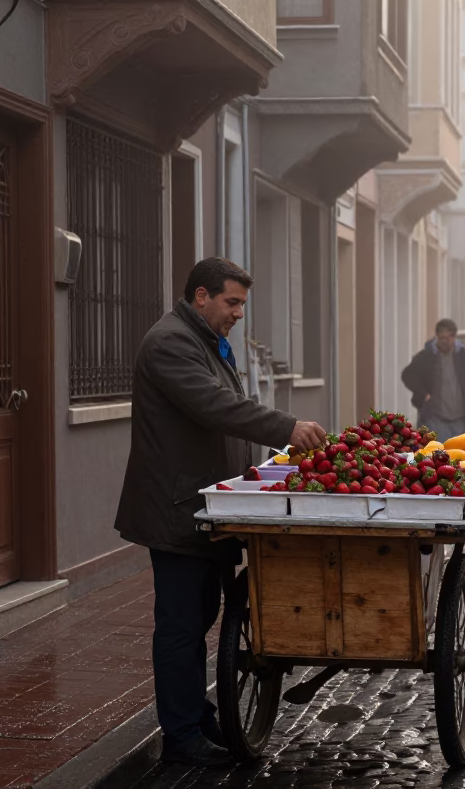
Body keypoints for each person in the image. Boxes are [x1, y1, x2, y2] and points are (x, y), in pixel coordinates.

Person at [115, 257, 326, 767]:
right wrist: (286, 428)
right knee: (181, 625)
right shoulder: (171, 343)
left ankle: (194, 712)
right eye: (231, 303)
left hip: (203, 507)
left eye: (241, 305)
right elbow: (215, 407)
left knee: (201, 616)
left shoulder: (205, 341)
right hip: (176, 509)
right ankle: (181, 737)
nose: (237, 314)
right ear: (201, 296)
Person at [401, 318, 465, 443]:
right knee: (437, 455)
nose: (444, 341)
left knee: (459, 456)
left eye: (448, 338)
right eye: (441, 337)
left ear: (453, 337)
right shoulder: (427, 356)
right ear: (437, 336)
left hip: (459, 419)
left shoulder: (462, 355)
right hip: (435, 418)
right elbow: (407, 375)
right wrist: (423, 394)